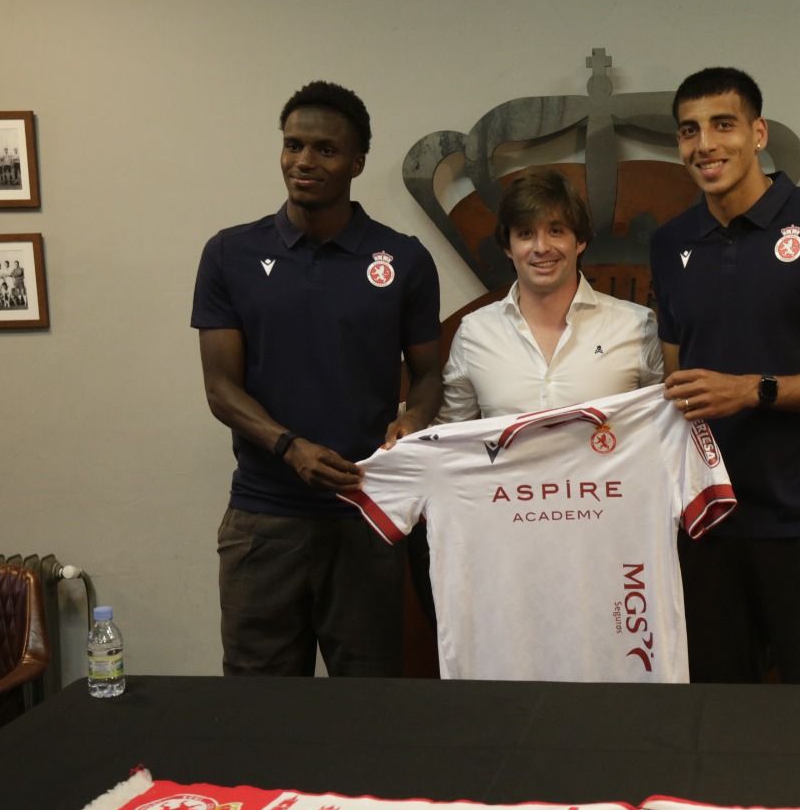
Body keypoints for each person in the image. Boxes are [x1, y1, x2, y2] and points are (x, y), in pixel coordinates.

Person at [192, 80, 442, 678]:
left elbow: (430, 373)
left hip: (364, 514)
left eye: (325, 150)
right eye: (293, 145)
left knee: (366, 706)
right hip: (263, 520)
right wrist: (289, 447)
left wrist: (412, 420)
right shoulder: (230, 253)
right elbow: (220, 388)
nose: (304, 161)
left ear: (357, 162)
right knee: (260, 708)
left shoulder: (403, 259)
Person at [649, 66, 800, 685]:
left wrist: (753, 390)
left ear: (758, 133)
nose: (705, 145)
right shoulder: (671, 242)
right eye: (689, 131)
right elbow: (679, 385)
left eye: (723, 125)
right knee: (715, 727)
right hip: (708, 528)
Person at [436, 166, 662, 422]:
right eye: (525, 234)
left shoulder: (637, 327)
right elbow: (450, 439)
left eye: (555, 231)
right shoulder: (473, 334)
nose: (541, 247)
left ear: (580, 241)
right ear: (507, 247)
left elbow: (664, 429)